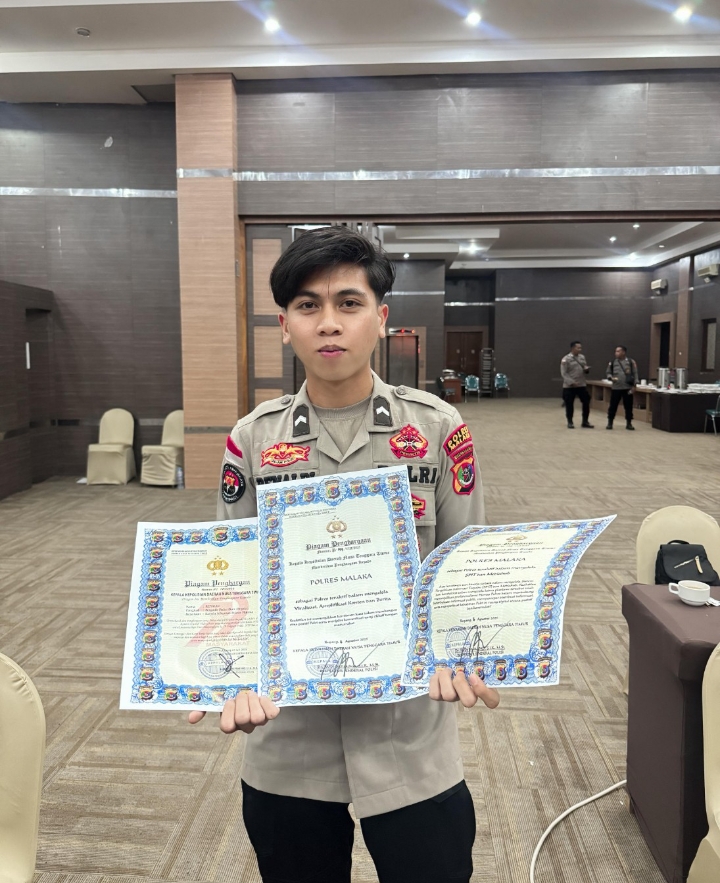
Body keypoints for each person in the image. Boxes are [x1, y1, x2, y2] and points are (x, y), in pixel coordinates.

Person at [188, 226, 500, 883]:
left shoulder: (437, 429)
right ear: (285, 326)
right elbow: (230, 582)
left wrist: (471, 649)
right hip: (289, 741)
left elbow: (464, 567)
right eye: (308, 306)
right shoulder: (253, 440)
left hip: (410, 737)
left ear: (380, 319)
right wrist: (225, 674)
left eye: (349, 303)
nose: (329, 322)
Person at [560, 341, 593, 429]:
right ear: (572, 348)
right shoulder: (566, 359)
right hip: (569, 386)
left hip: (581, 384)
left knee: (586, 401)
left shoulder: (582, 357)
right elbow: (564, 373)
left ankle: (585, 421)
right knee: (569, 404)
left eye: (580, 348)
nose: (580, 349)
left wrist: (586, 369)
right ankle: (570, 422)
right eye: (578, 348)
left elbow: (585, 369)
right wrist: (571, 382)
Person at [605, 345, 638, 430]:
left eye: (618, 351)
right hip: (616, 387)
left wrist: (635, 386)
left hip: (627, 387)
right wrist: (610, 377)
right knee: (613, 406)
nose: (616, 353)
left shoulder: (630, 362)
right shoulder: (612, 362)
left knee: (628, 406)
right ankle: (610, 422)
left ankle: (629, 423)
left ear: (623, 352)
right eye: (616, 351)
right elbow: (608, 372)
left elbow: (635, 373)